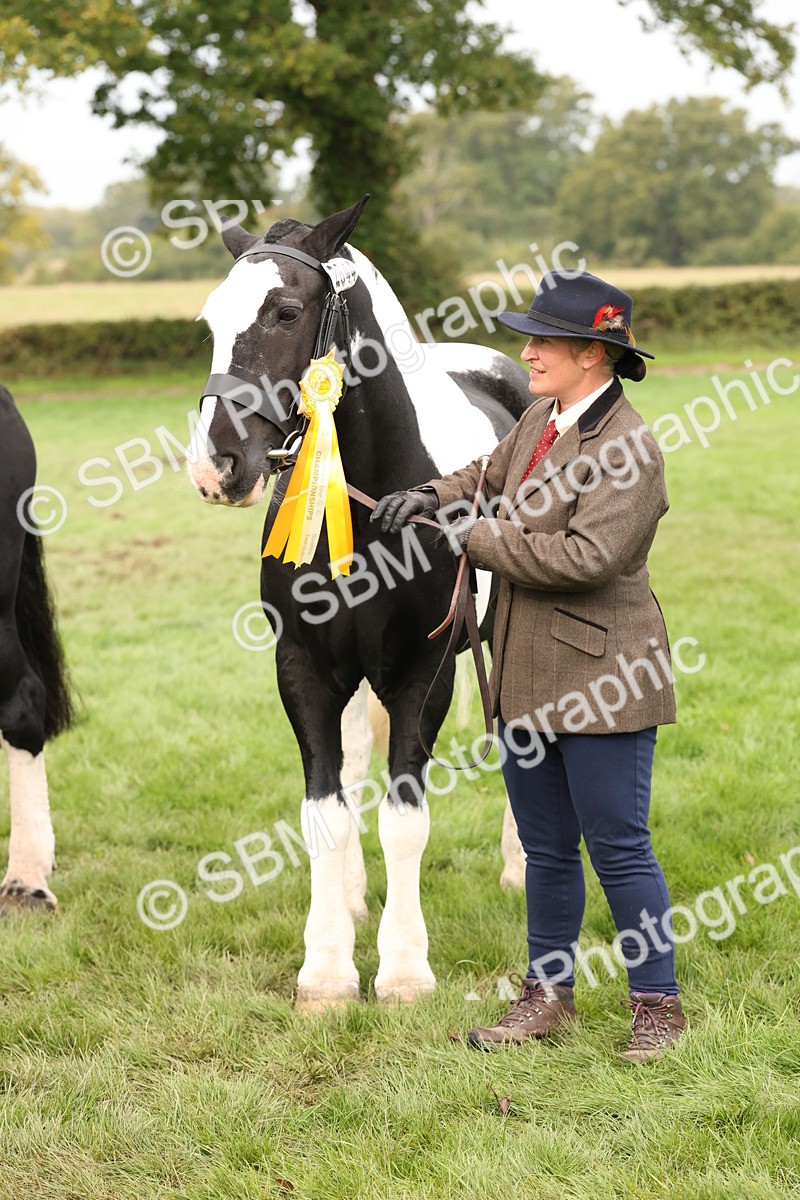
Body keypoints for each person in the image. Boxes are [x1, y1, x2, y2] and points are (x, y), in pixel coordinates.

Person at [372, 270, 685, 1063]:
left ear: (593, 352)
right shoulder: (543, 414)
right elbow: (487, 474)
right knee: (545, 847)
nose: (528, 351)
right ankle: (548, 995)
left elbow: (586, 557)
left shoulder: (629, 448)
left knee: (617, 845)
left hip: (605, 679)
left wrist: (473, 539)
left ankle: (658, 1007)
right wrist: (428, 493)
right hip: (521, 670)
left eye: (543, 340)